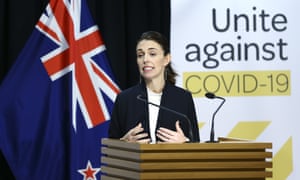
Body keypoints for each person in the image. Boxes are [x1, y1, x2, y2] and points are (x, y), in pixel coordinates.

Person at [108, 31, 200, 143]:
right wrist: (124, 142)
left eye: (152, 54)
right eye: (140, 55)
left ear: (166, 59)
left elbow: (195, 143)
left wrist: (184, 142)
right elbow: (111, 146)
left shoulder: (183, 98)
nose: (145, 59)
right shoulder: (125, 99)